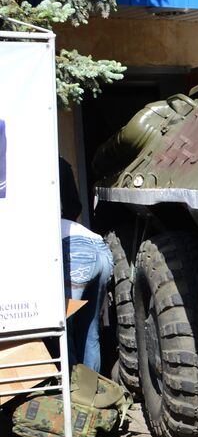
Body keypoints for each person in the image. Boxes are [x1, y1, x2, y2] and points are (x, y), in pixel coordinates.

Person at [58, 159, 113, 374]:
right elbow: (75, 206)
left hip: (72, 249)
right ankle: (92, 393)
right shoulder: (60, 161)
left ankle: (74, 398)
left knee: (64, 331)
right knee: (91, 332)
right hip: (98, 246)